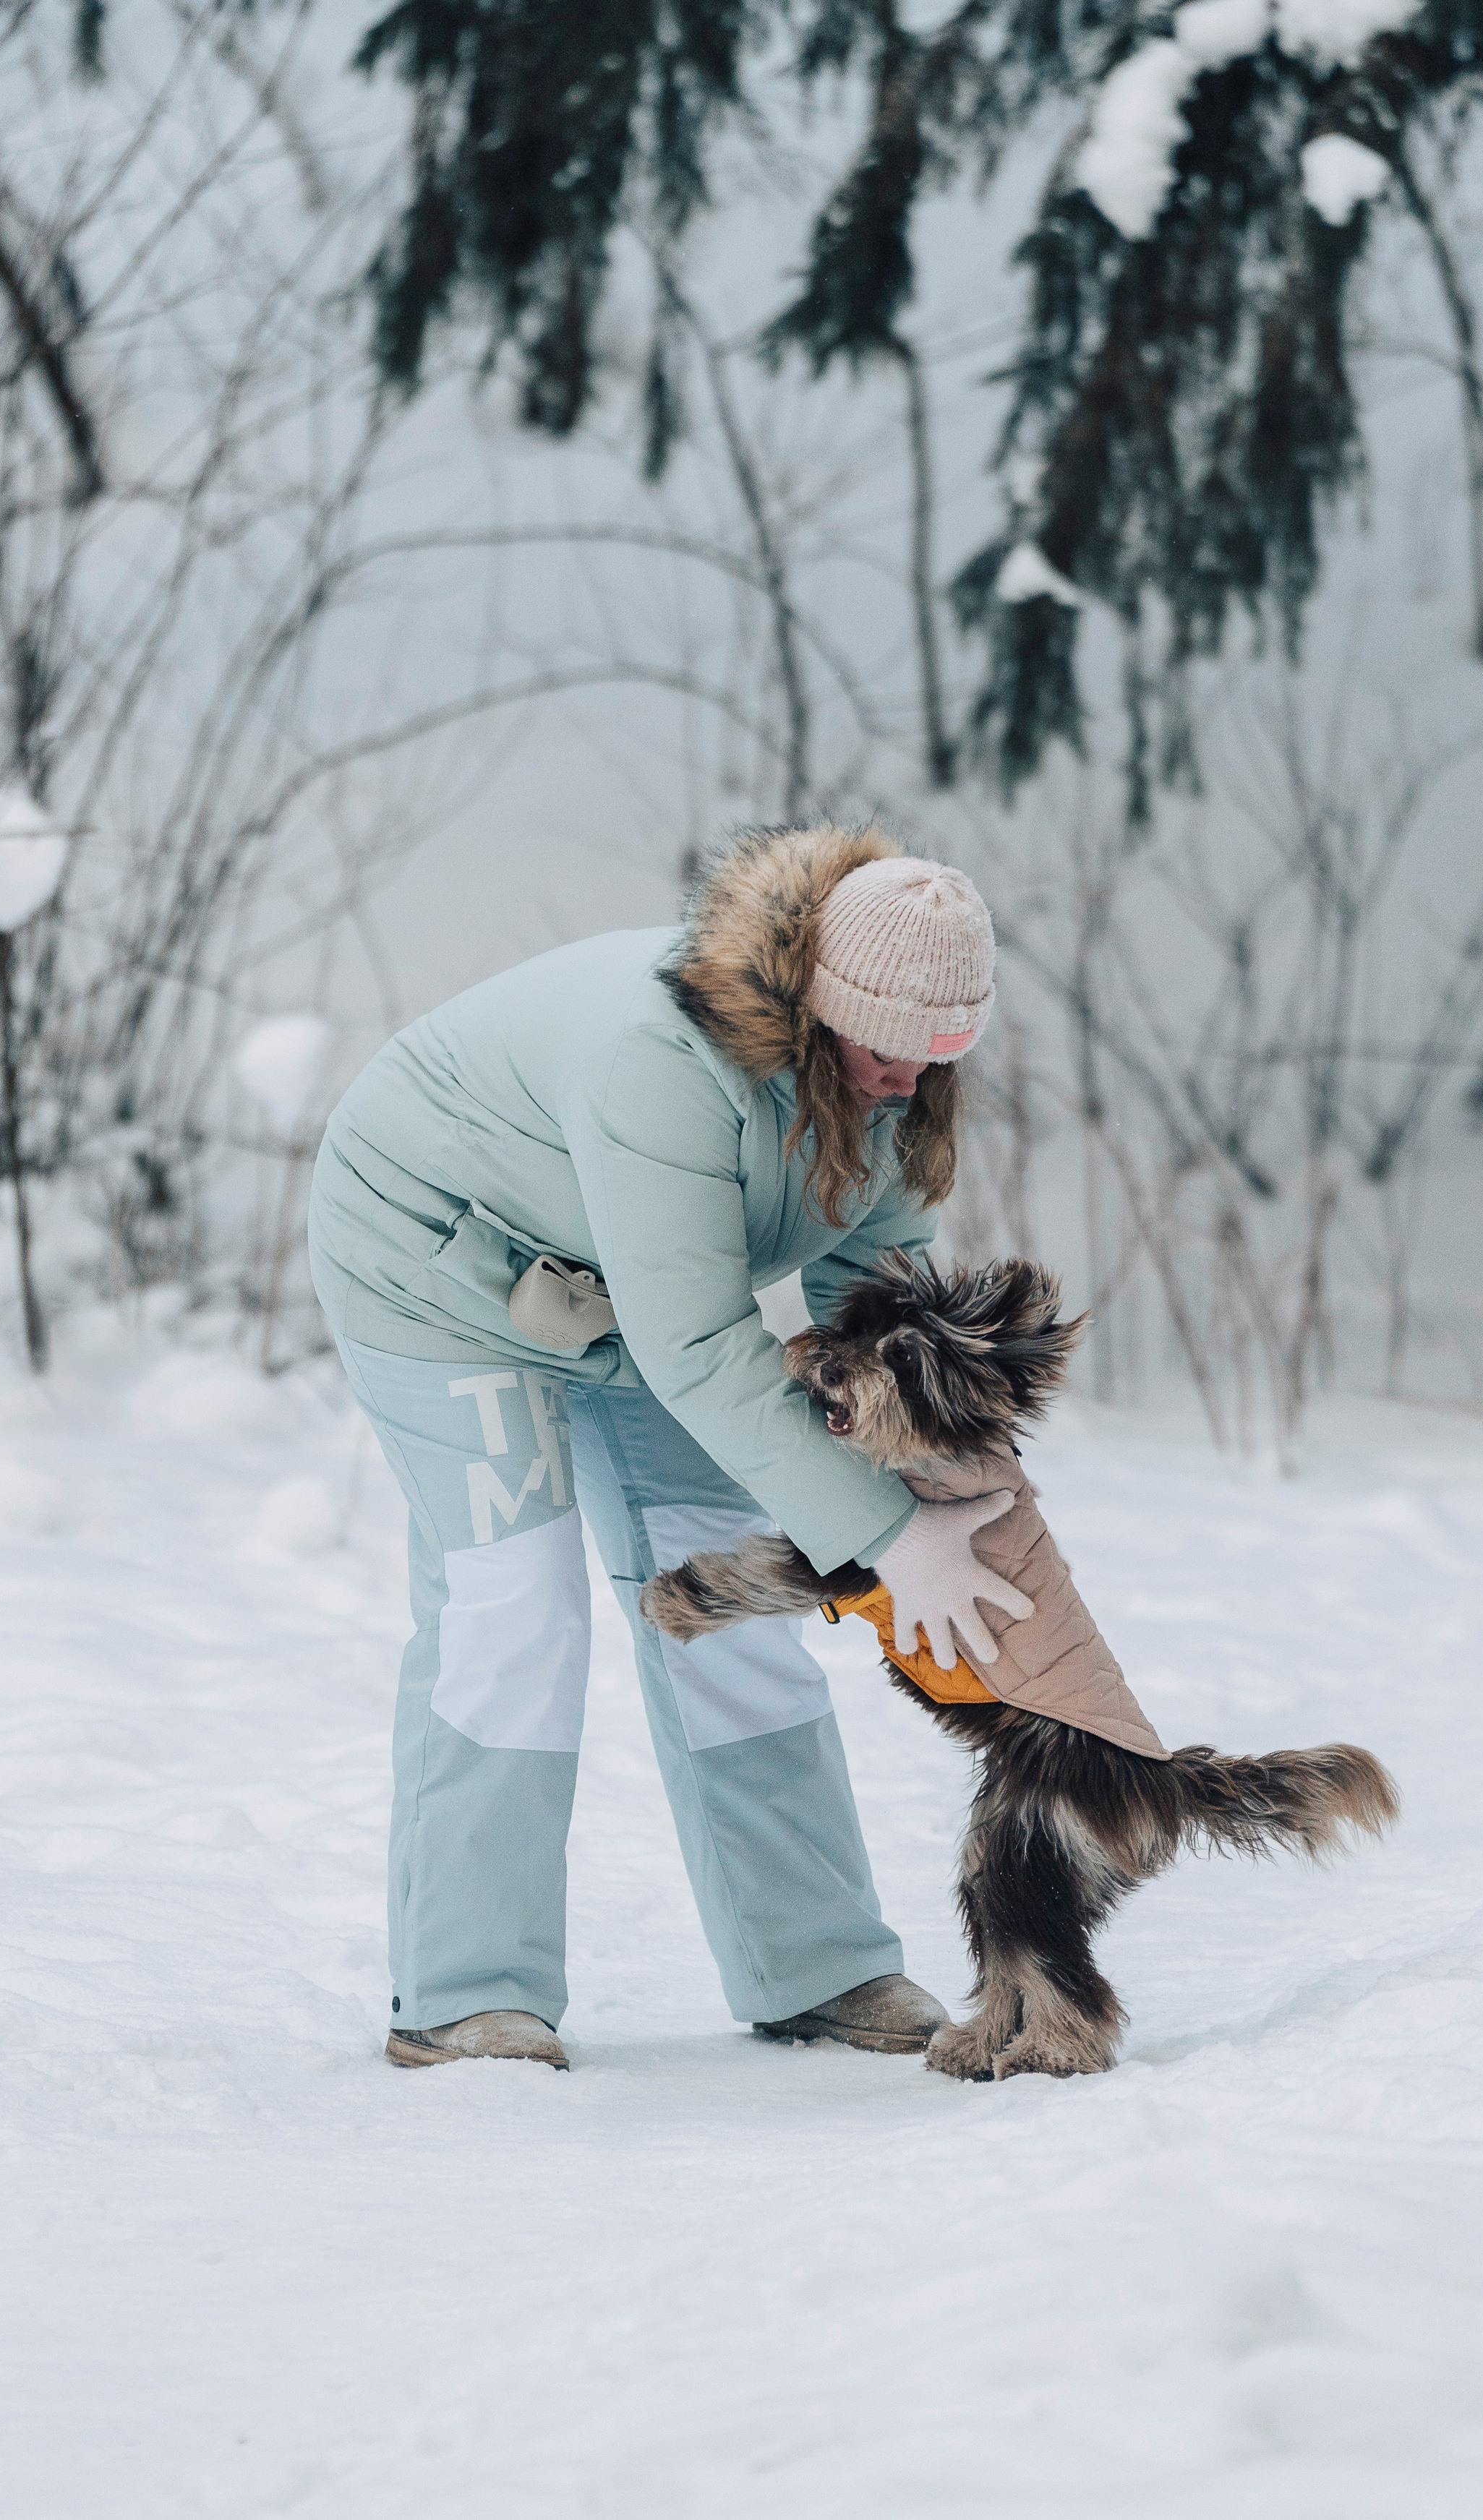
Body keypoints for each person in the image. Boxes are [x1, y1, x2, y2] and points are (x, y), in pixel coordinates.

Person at [308, 823, 1027, 2070]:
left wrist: (948, 1487)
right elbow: (701, 1346)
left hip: (624, 1298)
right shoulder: (665, 1058)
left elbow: (879, 1313)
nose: (912, 1076)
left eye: (945, 1049)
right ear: (814, 1013)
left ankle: (817, 1963)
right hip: (435, 1268)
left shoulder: (900, 1086)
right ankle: (468, 1990)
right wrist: (883, 1539)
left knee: (733, 1599)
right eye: (886, 1047)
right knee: (513, 1600)